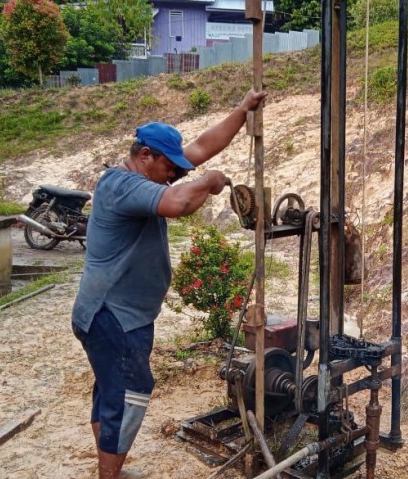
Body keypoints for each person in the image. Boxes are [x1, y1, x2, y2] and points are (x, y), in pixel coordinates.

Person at [71, 89, 266, 479]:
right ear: (145, 156)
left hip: (119, 315)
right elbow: (180, 204)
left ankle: (108, 469)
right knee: (129, 394)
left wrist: (242, 110)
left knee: (111, 393)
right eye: (169, 168)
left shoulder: (148, 176)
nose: (175, 174)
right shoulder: (121, 184)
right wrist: (209, 182)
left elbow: (200, 147)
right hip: (113, 317)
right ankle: (109, 475)